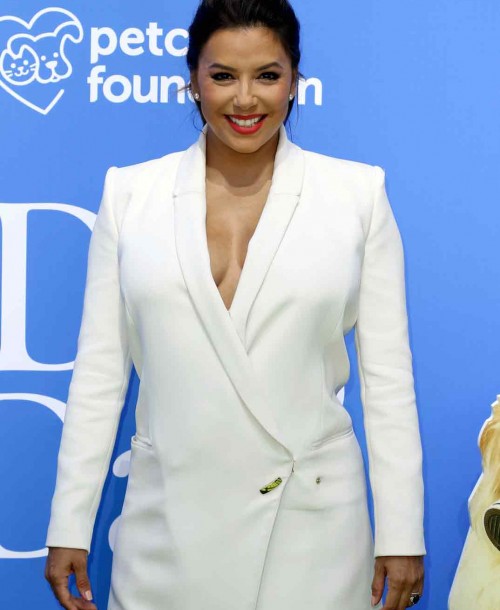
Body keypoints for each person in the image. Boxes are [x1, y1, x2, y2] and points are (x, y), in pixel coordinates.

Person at [44, 1, 426, 609]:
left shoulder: (357, 195)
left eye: (267, 75)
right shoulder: (131, 195)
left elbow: (388, 381)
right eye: (223, 75)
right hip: (167, 526)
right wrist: (69, 523)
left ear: (294, 80)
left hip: (311, 527)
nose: (245, 99)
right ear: (193, 80)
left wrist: (401, 534)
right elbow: (99, 375)